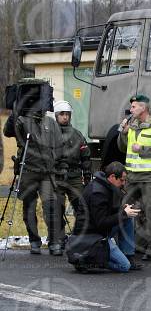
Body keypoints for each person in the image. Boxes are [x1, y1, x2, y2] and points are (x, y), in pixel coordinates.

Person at [3, 108, 64, 255]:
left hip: (47, 172)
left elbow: (58, 144)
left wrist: (53, 161)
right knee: (29, 207)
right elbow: (7, 131)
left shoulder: (50, 122)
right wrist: (15, 112)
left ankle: (54, 242)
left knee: (51, 207)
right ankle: (34, 241)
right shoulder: (21, 120)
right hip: (28, 171)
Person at [117, 94, 151, 261]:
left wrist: (141, 149)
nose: (130, 110)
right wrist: (123, 134)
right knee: (127, 209)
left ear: (143, 108)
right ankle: (129, 246)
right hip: (132, 176)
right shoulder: (132, 125)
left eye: (133, 107)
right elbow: (123, 147)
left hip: (150, 176)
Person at [73, 161, 142, 272]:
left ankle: (128, 255)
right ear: (112, 177)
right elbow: (101, 222)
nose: (124, 183)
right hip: (93, 235)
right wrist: (123, 213)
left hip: (99, 229)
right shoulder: (98, 193)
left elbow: (105, 212)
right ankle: (90, 261)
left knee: (128, 217)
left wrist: (122, 210)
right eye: (122, 180)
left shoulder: (105, 185)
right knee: (124, 266)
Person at [54, 100, 92, 247]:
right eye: (62, 114)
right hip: (56, 177)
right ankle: (59, 238)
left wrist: (87, 176)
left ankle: (80, 235)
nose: (65, 117)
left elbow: (86, 157)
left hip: (75, 176)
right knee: (56, 208)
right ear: (56, 115)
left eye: (67, 114)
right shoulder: (50, 135)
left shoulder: (77, 135)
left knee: (82, 207)